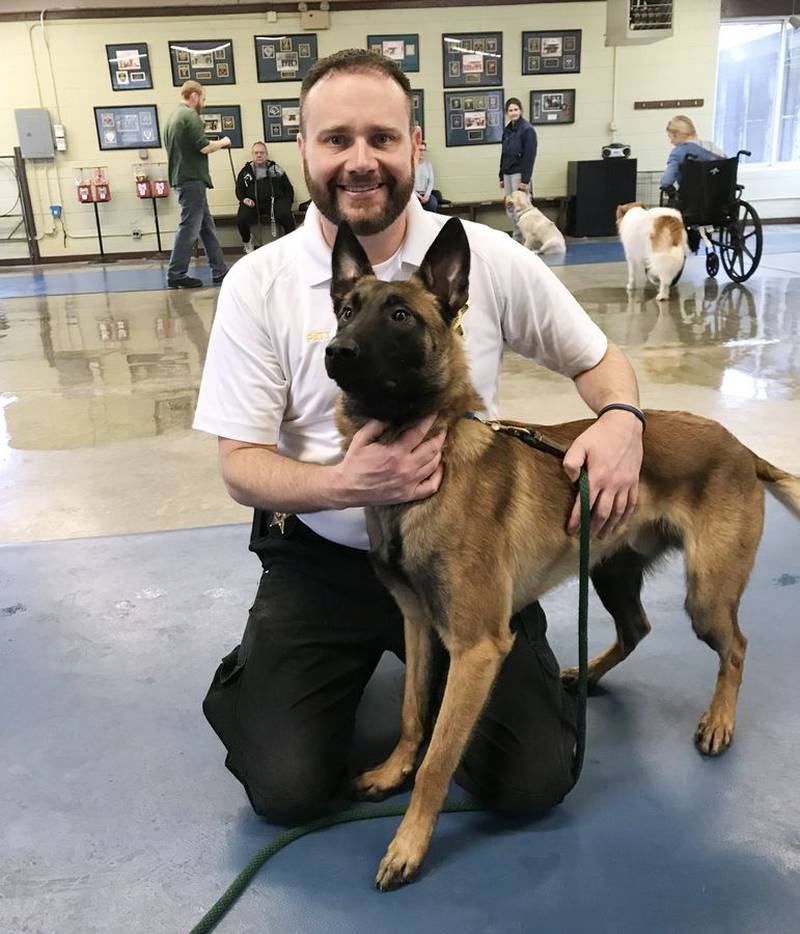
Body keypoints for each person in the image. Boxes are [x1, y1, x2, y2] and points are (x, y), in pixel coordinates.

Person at [194, 49, 644, 825]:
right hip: (322, 561)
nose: (360, 160)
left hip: (463, 548)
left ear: (414, 146)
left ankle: (436, 672)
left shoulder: (484, 259)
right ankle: (291, 672)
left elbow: (600, 361)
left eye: (381, 138)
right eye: (336, 139)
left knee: (531, 782)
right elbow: (240, 467)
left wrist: (622, 420)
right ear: (303, 151)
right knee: (287, 788)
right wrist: (345, 485)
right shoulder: (258, 283)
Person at [163, 80, 231, 289]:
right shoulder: (189, 115)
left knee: (205, 227)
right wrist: (223, 142)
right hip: (191, 180)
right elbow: (204, 148)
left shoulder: (172, 117)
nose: (204, 102)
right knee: (189, 227)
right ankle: (176, 273)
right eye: (203, 97)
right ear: (194, 96)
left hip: (182, 179)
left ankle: (219, 270)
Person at [235, 141, 296, 254]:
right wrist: (244, 199)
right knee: (241, 219)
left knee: (286, 215)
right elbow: (239, 190)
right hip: (253, 203)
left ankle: (290, 245)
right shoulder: (246, 172)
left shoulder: (276, 169)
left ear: (266, 154)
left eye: (262, 152)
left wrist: (287, 203)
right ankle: (247, 242)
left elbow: (288, 189)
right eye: (256, 153)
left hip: (275, 201)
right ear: (252, 155)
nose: (259, 155)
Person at [499, 97, 538, 242]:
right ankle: (518, 236)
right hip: (507, 173)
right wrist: (501, 176)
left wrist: (525, 180)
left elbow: (530, 155)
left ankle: (527, 239)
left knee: (523, 208)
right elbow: (504, 153)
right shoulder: (507, 130)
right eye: (510, 110)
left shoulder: (527, 130)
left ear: (520, 110)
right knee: (510, 208)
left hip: (519, 174)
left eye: (516, 109)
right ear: (506, 113)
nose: (513, 112)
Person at [660, 115, 726, 190]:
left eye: (670, 137)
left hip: (691, 199)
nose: (671, 141)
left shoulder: (678, 152)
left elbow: (666, 182)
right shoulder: (713, 147)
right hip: (720, 198)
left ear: (676, 135)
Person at [414, 139, 437, 212]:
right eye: (420, 150)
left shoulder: (428, 164)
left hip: (426, 194)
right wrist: (419, 196)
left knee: (433, 203)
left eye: (424, 150)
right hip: (414, 195)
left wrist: (427, 195)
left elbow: (431, 182)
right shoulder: (410, 165)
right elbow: (408, 185)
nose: (422, 152)